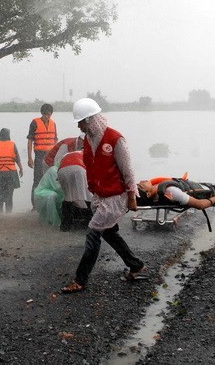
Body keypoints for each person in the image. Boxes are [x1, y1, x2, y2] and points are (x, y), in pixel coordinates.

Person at [62, 98, 146, 294]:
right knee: (108, 232)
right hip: (101, 196)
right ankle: (136, 265)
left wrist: (132, 196)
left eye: (81, 122)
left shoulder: (115, 139)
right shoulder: (89, 141)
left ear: (92, 120)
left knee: (93, 233)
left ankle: (80, 279)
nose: (79, 126)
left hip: (116, 196)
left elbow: (128, 171)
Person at [27, 103, 57, 210]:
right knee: (37, 180)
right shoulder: (34, 123)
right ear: (42, 113)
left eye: (49, 114)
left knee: (51, 180)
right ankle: (34, 206)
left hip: (50, 156)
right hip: (39, 156)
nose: (47, 117)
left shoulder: (53, 124)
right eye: (45, 114)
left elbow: (55, 140)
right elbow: (30, 140)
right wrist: (29, 158)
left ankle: (48, 204)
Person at [0, 128, 23, 214]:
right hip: (11, 173)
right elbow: (17, 159)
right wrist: (21, 168)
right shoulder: (12, 144)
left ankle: (0, 212)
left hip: (0, 173)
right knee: (9, 194)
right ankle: (9, 212)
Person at [57, 150, 92, 231]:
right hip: (79, 169)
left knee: (68, 197)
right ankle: (87, 222)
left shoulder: (67, 154)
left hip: (62, 171)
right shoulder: (87, 154)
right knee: (86, 195)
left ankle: (65, 225)